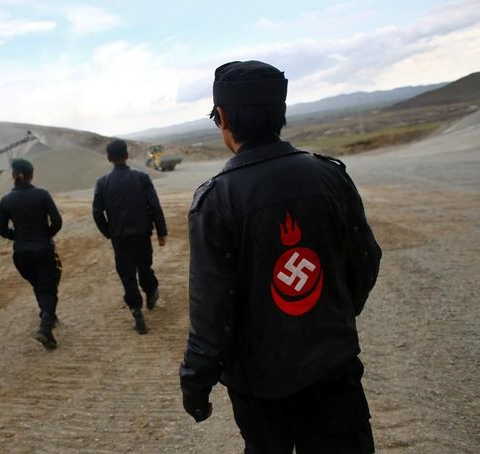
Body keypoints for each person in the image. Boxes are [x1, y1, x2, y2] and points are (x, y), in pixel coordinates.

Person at [179, 60, 382, 453]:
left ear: (222, 117)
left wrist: (196, 382)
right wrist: (332, 314)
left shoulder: (215, 201)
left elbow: (211, 311)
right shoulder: (330, 177)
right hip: (334, 369)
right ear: (281, 114)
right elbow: (365, 260)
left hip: (259, 386)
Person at [92, 139, 167, 334]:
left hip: (119, 238)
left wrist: (108, 232)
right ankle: (151, 292)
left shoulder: (102, 183)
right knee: (145, 267)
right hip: (142, 234)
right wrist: (161, 231)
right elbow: (154, 206)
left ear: (109, 158)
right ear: (127, 155)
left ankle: (136, 311)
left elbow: (97, 212)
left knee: (127, 275)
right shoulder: (142, 178)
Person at [0, 159, 62, 349]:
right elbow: (57, 221)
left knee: (38, 284)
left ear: (13, 175)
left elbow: (1, 229)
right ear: (31, 175)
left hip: (21, 253)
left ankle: (47, 314)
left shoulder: (6, 199)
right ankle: (45, 328)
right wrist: (46, 234)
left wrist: (18, 237)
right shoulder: (42, 195)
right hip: (43, 248)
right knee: (49, 287)